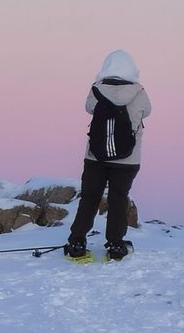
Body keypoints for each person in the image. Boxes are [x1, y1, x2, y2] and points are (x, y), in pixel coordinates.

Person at [65, 50, 152, 261]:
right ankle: (115, 245)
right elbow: (147, 111)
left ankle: (77, 242)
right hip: (127, 160)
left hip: (96, 157)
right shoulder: (139, 92)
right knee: (118, 199)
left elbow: (89, 108)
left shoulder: (96, 89)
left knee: (89, 198)